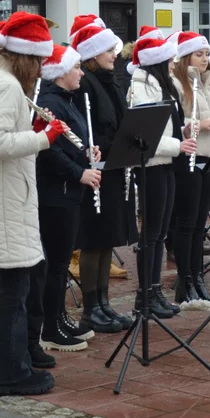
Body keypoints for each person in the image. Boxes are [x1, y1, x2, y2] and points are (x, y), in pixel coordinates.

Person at [0, 12, 62, 396]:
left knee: (4, 288)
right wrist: (44, 138)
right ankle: (11, 373)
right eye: (38, 62)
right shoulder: (4, 85)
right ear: (26, 57)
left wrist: (31, 130)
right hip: (1, 200)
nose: (40, 72)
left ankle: (5, 364)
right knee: (12, 293)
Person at [30, 44, 99, 353]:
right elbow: (49, 152)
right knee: (56, 263)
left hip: (69, 190)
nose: (81, 73)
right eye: (76, 68)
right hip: (56, 192)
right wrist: (78, 172)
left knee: (61, 261)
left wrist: (88, 152)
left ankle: (58, 316)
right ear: (60, 74)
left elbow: (72, 142)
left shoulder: (68, 101)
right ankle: (50, 328)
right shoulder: (48, 104)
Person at [129, 35, 199, 316]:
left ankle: (155, 290)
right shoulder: (141, 86)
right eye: (169, 60)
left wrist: (185, 129)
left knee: (159, 233)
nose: (173, 64)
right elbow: (146, 131)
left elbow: (169, 123)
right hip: (152, 164)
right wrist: (177, 144)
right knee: (151, 234)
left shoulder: (161, 84)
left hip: (166, 161)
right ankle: (144, 295)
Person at [72, 22, 134, 331]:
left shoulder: (110, 81)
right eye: (109, 50)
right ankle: (90, 307)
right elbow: (90, 126)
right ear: (94, 54)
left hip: (114, 167)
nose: (115, 54)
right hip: (98, 167)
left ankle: (105, 303)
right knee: (93, 239)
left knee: (108, 236)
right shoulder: (87, 84)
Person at [169, 32, 210, 303]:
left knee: (200, 223)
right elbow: (175, 125)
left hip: (209, 155)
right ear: (186, 57)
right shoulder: (179, 84)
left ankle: (197, 277)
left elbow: (209, 115)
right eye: (198, 54)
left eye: (206, 53)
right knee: (187, 223)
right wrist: (196, 126)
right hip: (189, 157)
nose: (204, 59)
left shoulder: (207, 83)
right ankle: (185, 280)